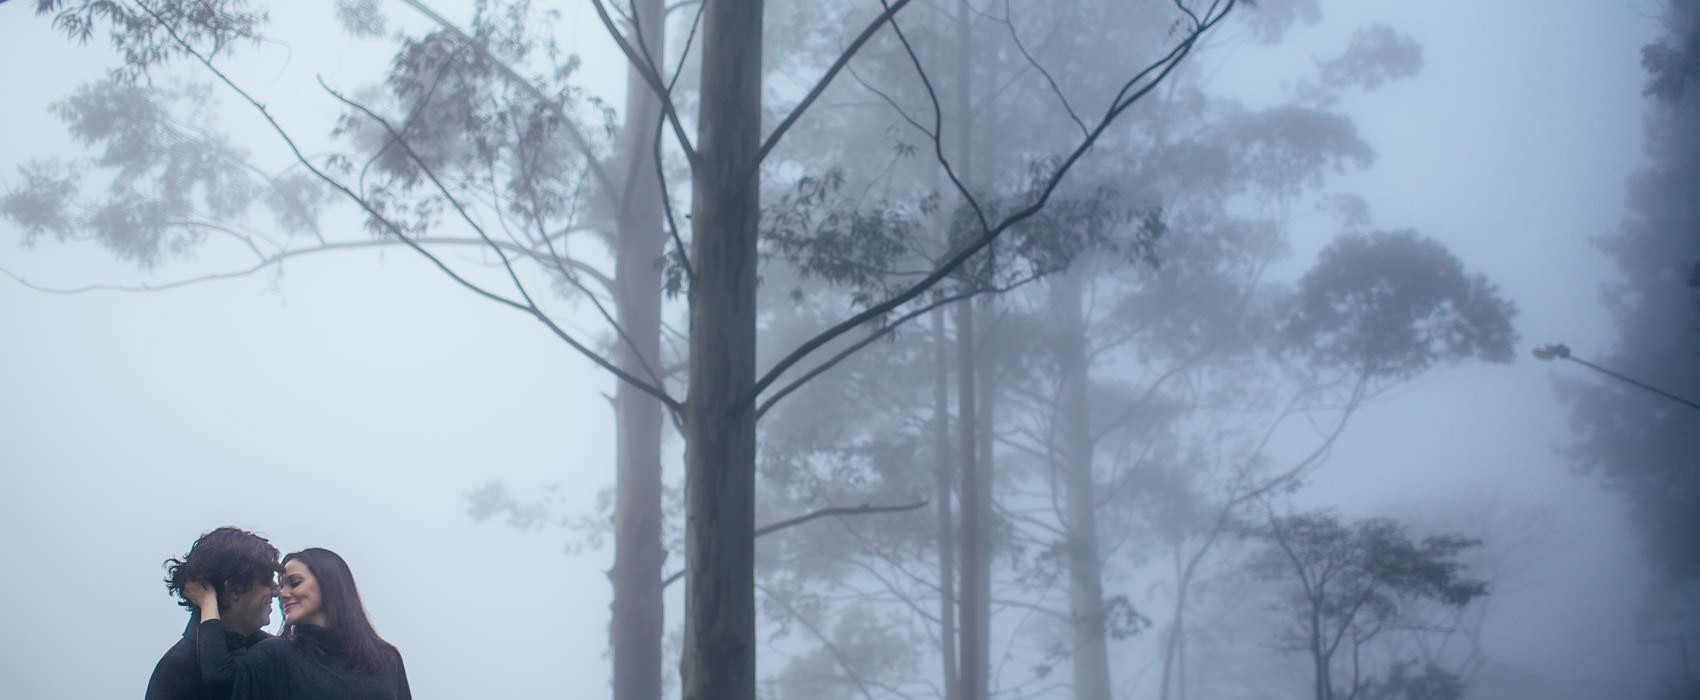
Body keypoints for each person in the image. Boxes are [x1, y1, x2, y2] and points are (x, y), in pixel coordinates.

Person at [188, 547, 412, 700]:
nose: (282, 593)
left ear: (328, 583)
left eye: (294, 583)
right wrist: (208, 603)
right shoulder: (278, 655)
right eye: (281, 586)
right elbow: (220, 679)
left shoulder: (386, 658)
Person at [147, 527, 282, 700]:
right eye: (266, 580)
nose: (277, 591)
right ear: (233, 589)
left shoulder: (268, 651)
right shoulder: (179, 668)